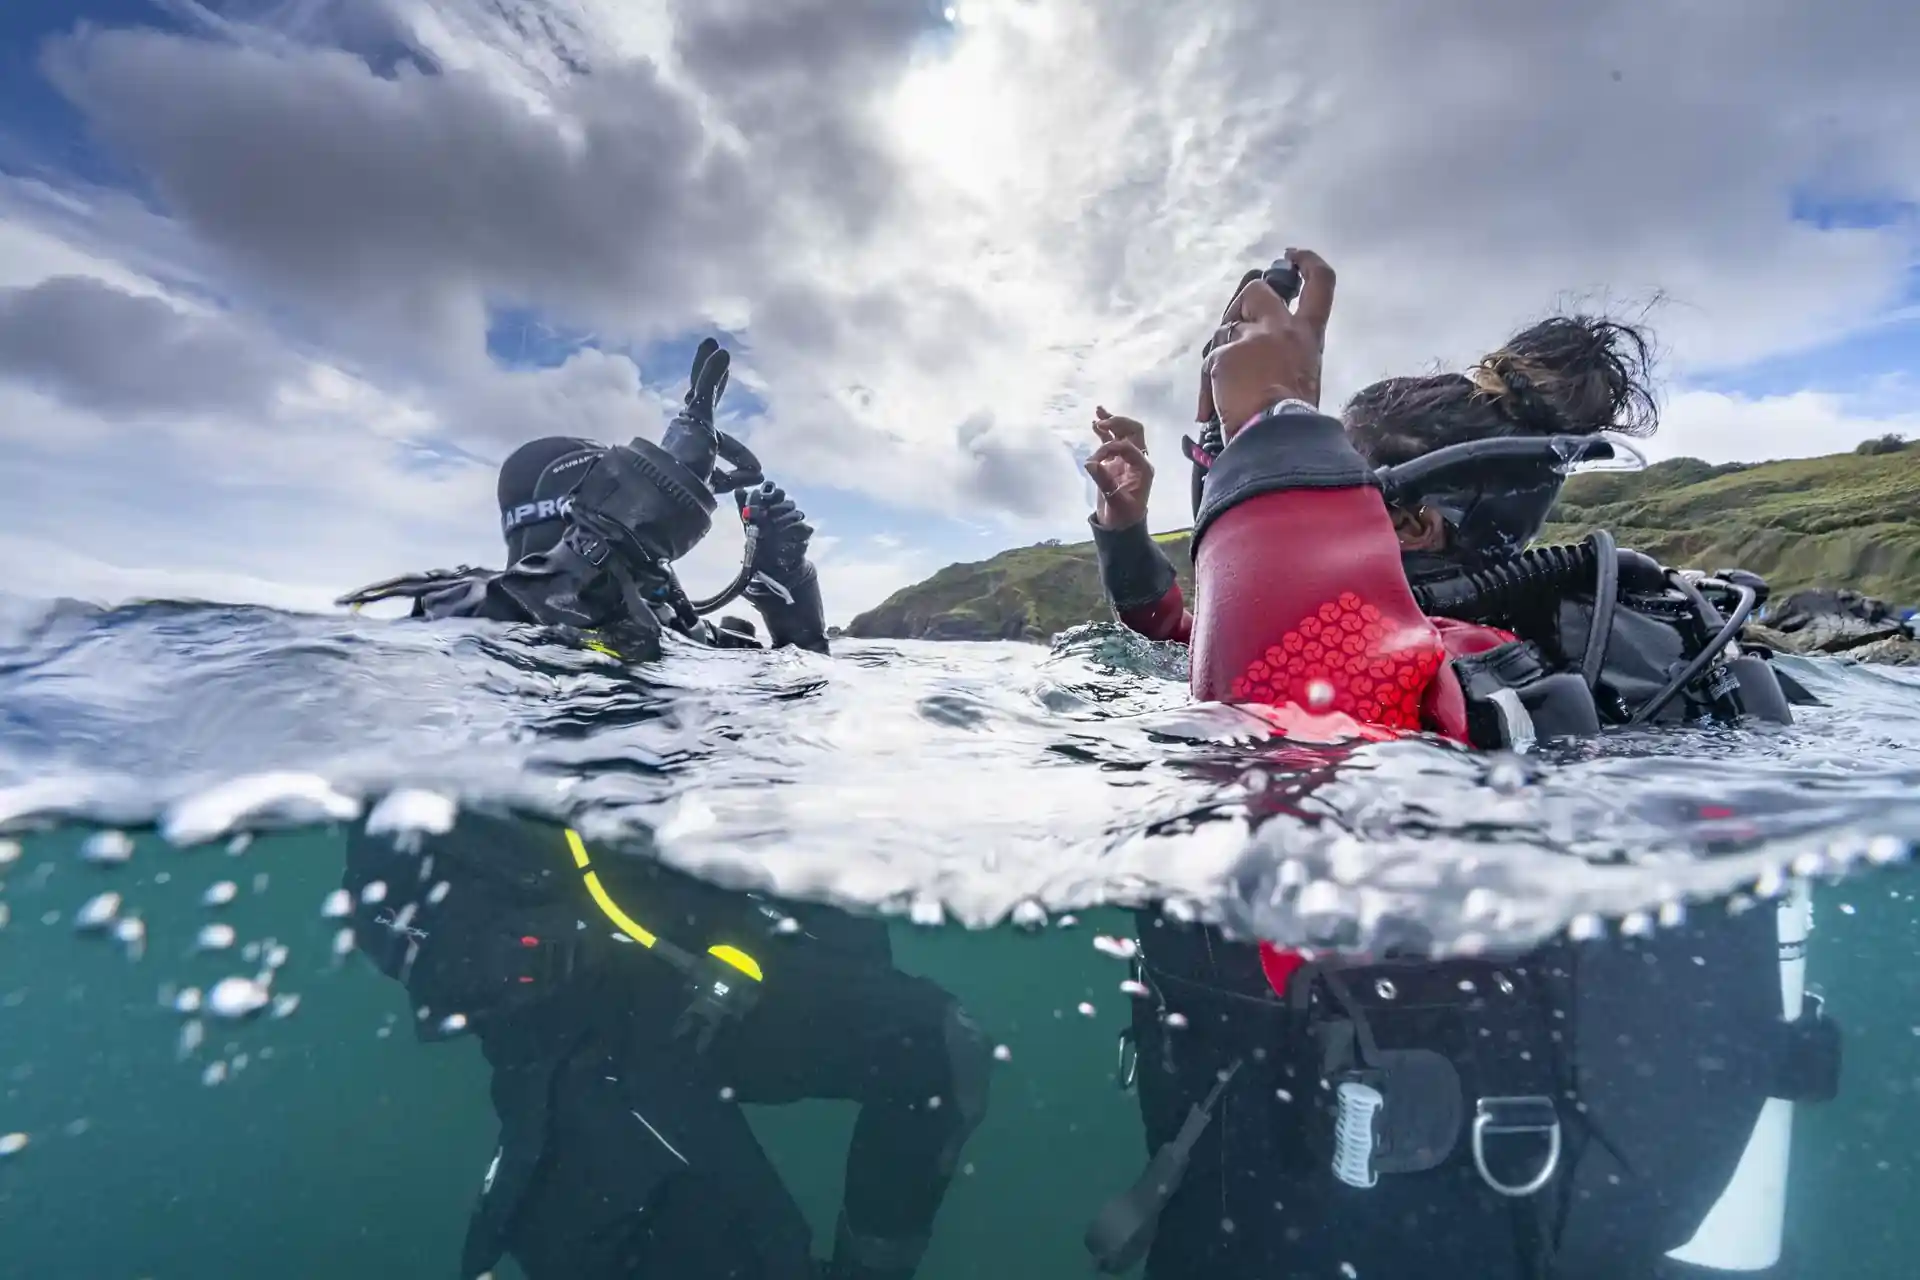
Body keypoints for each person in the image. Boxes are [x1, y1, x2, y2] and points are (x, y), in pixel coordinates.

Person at [1079, 255, 1841, 1279]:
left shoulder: (1432, 664)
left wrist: (1274, 432)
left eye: (1356, 481)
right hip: (1503, 1197)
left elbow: (1268, 696)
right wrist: (1139, 520)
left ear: (1412, 519)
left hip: (1371, 1222)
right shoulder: (1528, 657)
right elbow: (1190, 621)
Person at [337, 339, 992, 1280]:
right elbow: (389, 917)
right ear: (563, 532)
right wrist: (616, 531)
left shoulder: (676, 647)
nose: (641, 580)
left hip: (715, 991)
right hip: (580, 1053)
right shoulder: (460, 626)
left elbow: (791, 774)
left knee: (937, 1046)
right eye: (608, 531)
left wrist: (796, 621)